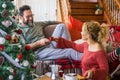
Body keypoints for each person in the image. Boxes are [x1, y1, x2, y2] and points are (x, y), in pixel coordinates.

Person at [18, 5, 82, 61]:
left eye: (31, 15)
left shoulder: (37, 24)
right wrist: (39, 43)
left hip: (50, 44)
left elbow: (51, 22)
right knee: (69, 52)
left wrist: (65, 23)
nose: (31, 18)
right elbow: (24, 48)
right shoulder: (19, 30)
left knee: (61, 26)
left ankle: (71, 46)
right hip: (39, 52)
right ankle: (89, 59)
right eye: (28, 17)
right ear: (21, 17)